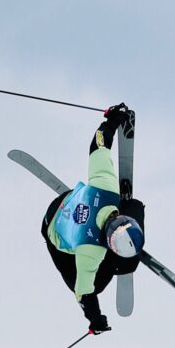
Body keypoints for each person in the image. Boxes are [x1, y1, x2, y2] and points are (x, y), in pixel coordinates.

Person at [40, 103, 145, 333]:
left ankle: (131, 217)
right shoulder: (91, 251)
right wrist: (94, 319)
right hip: (53, 236)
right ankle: (127, 253)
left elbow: (98, 145)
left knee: (134, 208)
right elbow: (83, 291)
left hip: (63, 203)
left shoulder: (105, 187)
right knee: (97, 283)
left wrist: (111, 122)